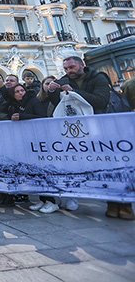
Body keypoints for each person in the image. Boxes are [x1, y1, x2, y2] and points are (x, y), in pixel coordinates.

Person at [48, 56, 117, 215]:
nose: (69, 71)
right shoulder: (65, 79)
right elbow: (58, 102)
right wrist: (52, 90)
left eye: (72, 67)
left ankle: (117, 203)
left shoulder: (98, 78)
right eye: (66, 69)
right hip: (77, 132)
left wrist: (74, 92)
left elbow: (101, 100)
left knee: (107, 165)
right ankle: (76, 195)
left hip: (99, 128)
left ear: (82, 65)